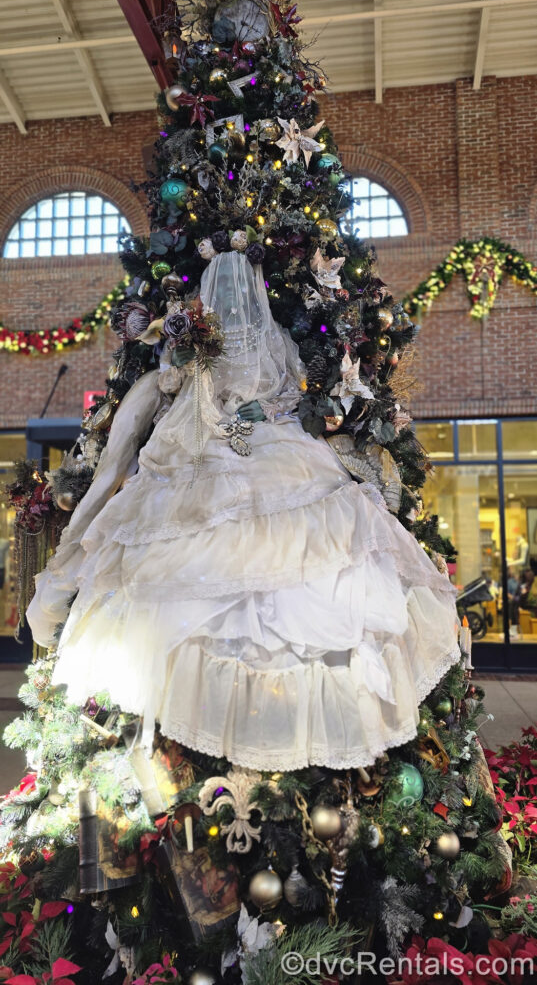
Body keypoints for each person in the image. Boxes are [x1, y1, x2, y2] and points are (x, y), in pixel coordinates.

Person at [27, 251, 460, 772]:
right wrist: (249, 414)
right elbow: (279, 397)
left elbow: (256, 398)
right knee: (288, 569)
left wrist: (233, 409)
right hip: (258, 450)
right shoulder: (246, 346)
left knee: (224, 568)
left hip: (227, 451)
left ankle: (221, 726)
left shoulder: (211, 347)